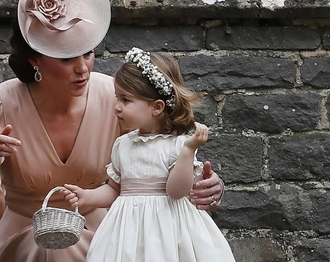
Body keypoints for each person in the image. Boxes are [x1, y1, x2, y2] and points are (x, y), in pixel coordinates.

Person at [0, 0, 225, 262]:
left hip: (110, 240)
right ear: (35, 59)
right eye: (66, 58)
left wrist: (208, 187)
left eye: (88, 52)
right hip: (25, 245)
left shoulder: (116, 99)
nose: (83, 68)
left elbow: (161, 163)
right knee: (51, 249)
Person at [63, 47, 236, 262]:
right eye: (117, 98)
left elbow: (176, 191)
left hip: (169, 231)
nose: (117, 107)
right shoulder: (122, 145)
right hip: (127, 233)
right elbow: (114, 189)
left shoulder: (178, 144)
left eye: (125, 100)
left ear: (156, 107)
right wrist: (87, 197)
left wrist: (188, 151)